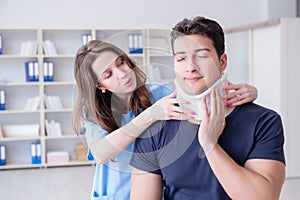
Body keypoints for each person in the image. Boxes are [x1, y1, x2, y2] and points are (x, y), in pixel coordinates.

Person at [72, 39, 258, 199]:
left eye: (120, 63)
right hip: (118, 193)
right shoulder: (93, 112)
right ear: (99, 85)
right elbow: (100, 153)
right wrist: (151, 115)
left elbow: (200, 104)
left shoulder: (160, 93)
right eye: (108, 74)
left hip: (155, 189)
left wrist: (244, 93)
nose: (122, 73)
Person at [130, 16, 285, 200]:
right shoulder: (155, 127)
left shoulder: (263, 121)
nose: (191, 67)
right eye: (181, 58)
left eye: (202, 56)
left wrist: (210, 145)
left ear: (222, 62)